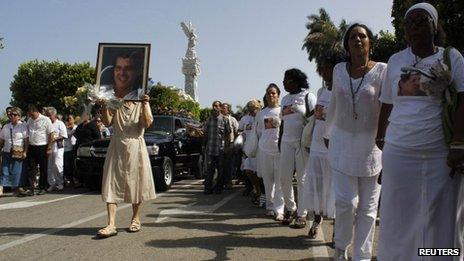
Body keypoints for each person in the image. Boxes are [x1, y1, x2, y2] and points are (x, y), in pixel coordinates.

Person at [376, 3, 464, 260]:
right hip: (399, 152)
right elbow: (387, 103)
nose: (414, 27)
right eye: (409, 23)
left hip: (440, 153)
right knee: (398, 215)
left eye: (421, 21)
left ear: (434, 26)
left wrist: (459, 142)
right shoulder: (395, 61)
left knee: (442, 217)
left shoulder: (452, 57)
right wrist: (380, 137)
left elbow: (462, 98)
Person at [324, 23, 386, 260]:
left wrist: (387, 139)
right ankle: (341, 247)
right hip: (341, 144)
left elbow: (388, 106)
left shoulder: (383, 70)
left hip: (372, 149)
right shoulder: (339, 69)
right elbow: (334, 105)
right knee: (345, 202)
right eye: (352, 37)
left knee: (368, 210)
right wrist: (327, 133)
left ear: (370, 41)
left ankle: (362, 256)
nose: (357, 40)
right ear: (347, 45)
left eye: (362, 36)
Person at [96, 93, 155, 238]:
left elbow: (147, 123)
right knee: (111, 181)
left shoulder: (141, 103)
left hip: (136, 145)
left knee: (136, 182)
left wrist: (145, 103)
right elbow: (107, 122)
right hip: (117, 145)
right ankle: (111, 224)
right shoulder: (116, 103)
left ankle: (135, 218)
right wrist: (104, 106)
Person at [304, 51, 344, 239]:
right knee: (317, 186)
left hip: (335, 148)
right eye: (321, 68)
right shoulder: (320, 92)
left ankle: (338, 228)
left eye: (326, 68)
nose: (323, 71)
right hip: (317, 146)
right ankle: (317, 219)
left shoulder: (342, 90)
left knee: (335, 188)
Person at [279, 68, 316, 228]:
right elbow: (282, 122)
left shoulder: (308, 96)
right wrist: (280, 141)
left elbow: (314, 121)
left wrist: (310, 143)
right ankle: (290, 208)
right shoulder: (285, 99)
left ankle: (302, 214)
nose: (283, 82)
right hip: (286, 142)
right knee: (284, 178)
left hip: (302, 143)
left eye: (286, 79)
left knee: (302, 180)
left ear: (295, 81)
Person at [256, 84, 285, 221]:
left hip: (279, 150)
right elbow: (258, 132)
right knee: (268, 181)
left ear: (278, 95)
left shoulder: (283, 111)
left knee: (280, 181)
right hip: (264, 150)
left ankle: (279, 210)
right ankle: (270, 206)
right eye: (268, 93)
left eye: (273, 93)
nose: (271, 95)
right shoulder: (261, 113)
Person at [203, 101, 230, 194]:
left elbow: (228, 134)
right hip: (210, 149)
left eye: (216, 106)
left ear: (220, 107)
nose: (214, 107)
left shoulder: (225, 119)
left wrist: (227, 147)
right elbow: (205, 133)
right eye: (213, 106)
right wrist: (204, 145)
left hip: (220, 149)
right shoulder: (209, 119)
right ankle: (208, 188)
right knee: (209, 169)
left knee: (220, 169)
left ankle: (219, 188)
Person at [239, 99, 263, 206]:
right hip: (249, 150)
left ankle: (262, 194)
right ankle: (256, 189)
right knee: (248, 170)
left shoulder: (262, 117)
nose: (253, 111)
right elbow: (240, 132)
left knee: (261, 174)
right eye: (250, 109)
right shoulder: (245, 119)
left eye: (255, 109)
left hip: (261, 149)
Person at [26, 105, 54, 196]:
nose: (31, 116)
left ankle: (43, 187)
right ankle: (31, 188)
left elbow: (51, 134)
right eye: (30, 115)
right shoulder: (29, 120)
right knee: (31, 169)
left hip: (42, 147)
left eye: (32, 114)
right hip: (32, 146)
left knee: (43, 168)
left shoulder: (46, 120)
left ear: (36, 112)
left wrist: (49, 147)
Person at [0, 107, 28, 197]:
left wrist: (25, 152)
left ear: (19, 116)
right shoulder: (6, 126)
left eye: (14, 115)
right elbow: (2, 140)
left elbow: (26, 140)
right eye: (11, 114)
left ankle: (16, 188)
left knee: (17, 171)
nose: (12, 116)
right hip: (7, 151)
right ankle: (1, 189)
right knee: (5, 170)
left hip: (18, 152)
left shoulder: (23, 126)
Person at [74, 112, 101, 186]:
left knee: (89, 164)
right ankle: (80, 180)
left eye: (84, 116)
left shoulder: (92, 125)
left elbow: (98, 136)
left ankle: (89, 181)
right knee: (80, 163)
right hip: (80, 147)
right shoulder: (79, 126)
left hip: (89, 148)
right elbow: (75, 134)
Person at [45, 107, 67, 191]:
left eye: (50, 115)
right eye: (47, 115)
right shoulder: (47, 124)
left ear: (54, 115)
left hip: (58, 147)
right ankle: (52, 183)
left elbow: (64, 135)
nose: (48, 117)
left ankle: (60, 182)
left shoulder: (60, 123)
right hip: (49, 147)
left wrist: (55, 138)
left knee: (58, 164)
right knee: (50, 166)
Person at [221, 103, 239, 189]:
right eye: (222, 108)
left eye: (224, 108)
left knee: (229, 165)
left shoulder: (232, 120)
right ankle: (221, 182)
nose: (222, 109)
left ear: (228, 110)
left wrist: (235, 146)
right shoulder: (218, 119)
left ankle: (229, 182)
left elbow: (236, 133)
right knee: (220, 165)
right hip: (219, 146)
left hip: (230, 145)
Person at [63, 115, 77, 187]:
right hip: (67, 149)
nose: (69, 121)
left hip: (74, 147)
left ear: (74, 120)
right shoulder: (65, 128)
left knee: (74, 165)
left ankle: (74, 179)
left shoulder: (76, 127)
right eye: (68, 119)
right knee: (67, 165)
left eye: (70, 119)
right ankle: (69, 179)